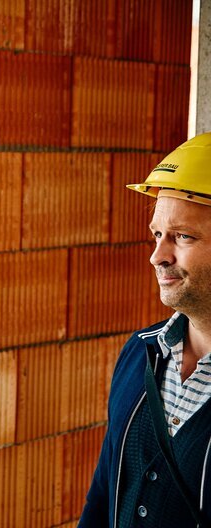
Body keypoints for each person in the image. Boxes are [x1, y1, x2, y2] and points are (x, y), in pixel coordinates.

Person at [80, 132, 211, 527]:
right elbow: (103, 493)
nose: (158, 255)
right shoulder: (140, 353)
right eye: (157, 234)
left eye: (182, 236)